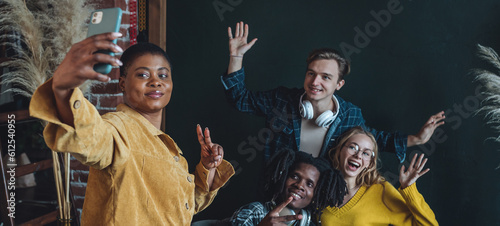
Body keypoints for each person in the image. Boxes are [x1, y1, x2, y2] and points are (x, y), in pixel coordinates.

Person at [29, 33, 235, 225]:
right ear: (122, 84)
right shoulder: (118, 128)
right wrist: (63, 89)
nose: (156, 82)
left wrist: (208, 167)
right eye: (143, 75)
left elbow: (187, 205)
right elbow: (91, 139)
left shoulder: (168, 149)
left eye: (163, 75)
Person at [221, 21, 445, 162]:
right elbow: (240, 99)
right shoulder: (282, 100)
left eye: (326, 77)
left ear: (339, 85)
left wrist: (416, 139)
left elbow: (376, 140)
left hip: (323, 200)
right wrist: (236, 58)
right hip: (277, 195)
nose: (315, 81)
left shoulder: (350, 115)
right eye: (311, 73)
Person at [321, 126, 438, 225]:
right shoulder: (321, 187)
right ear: (340, 151)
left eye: (366, 153)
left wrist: (409, 188)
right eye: (353, 147)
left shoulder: (380, 191)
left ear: (370, 163)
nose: (358, 155)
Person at [229, 151, 346, 226]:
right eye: (295, 176)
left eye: (309, 184)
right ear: (283, 178)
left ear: (316, 194)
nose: (299, 185)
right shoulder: (254, 211)